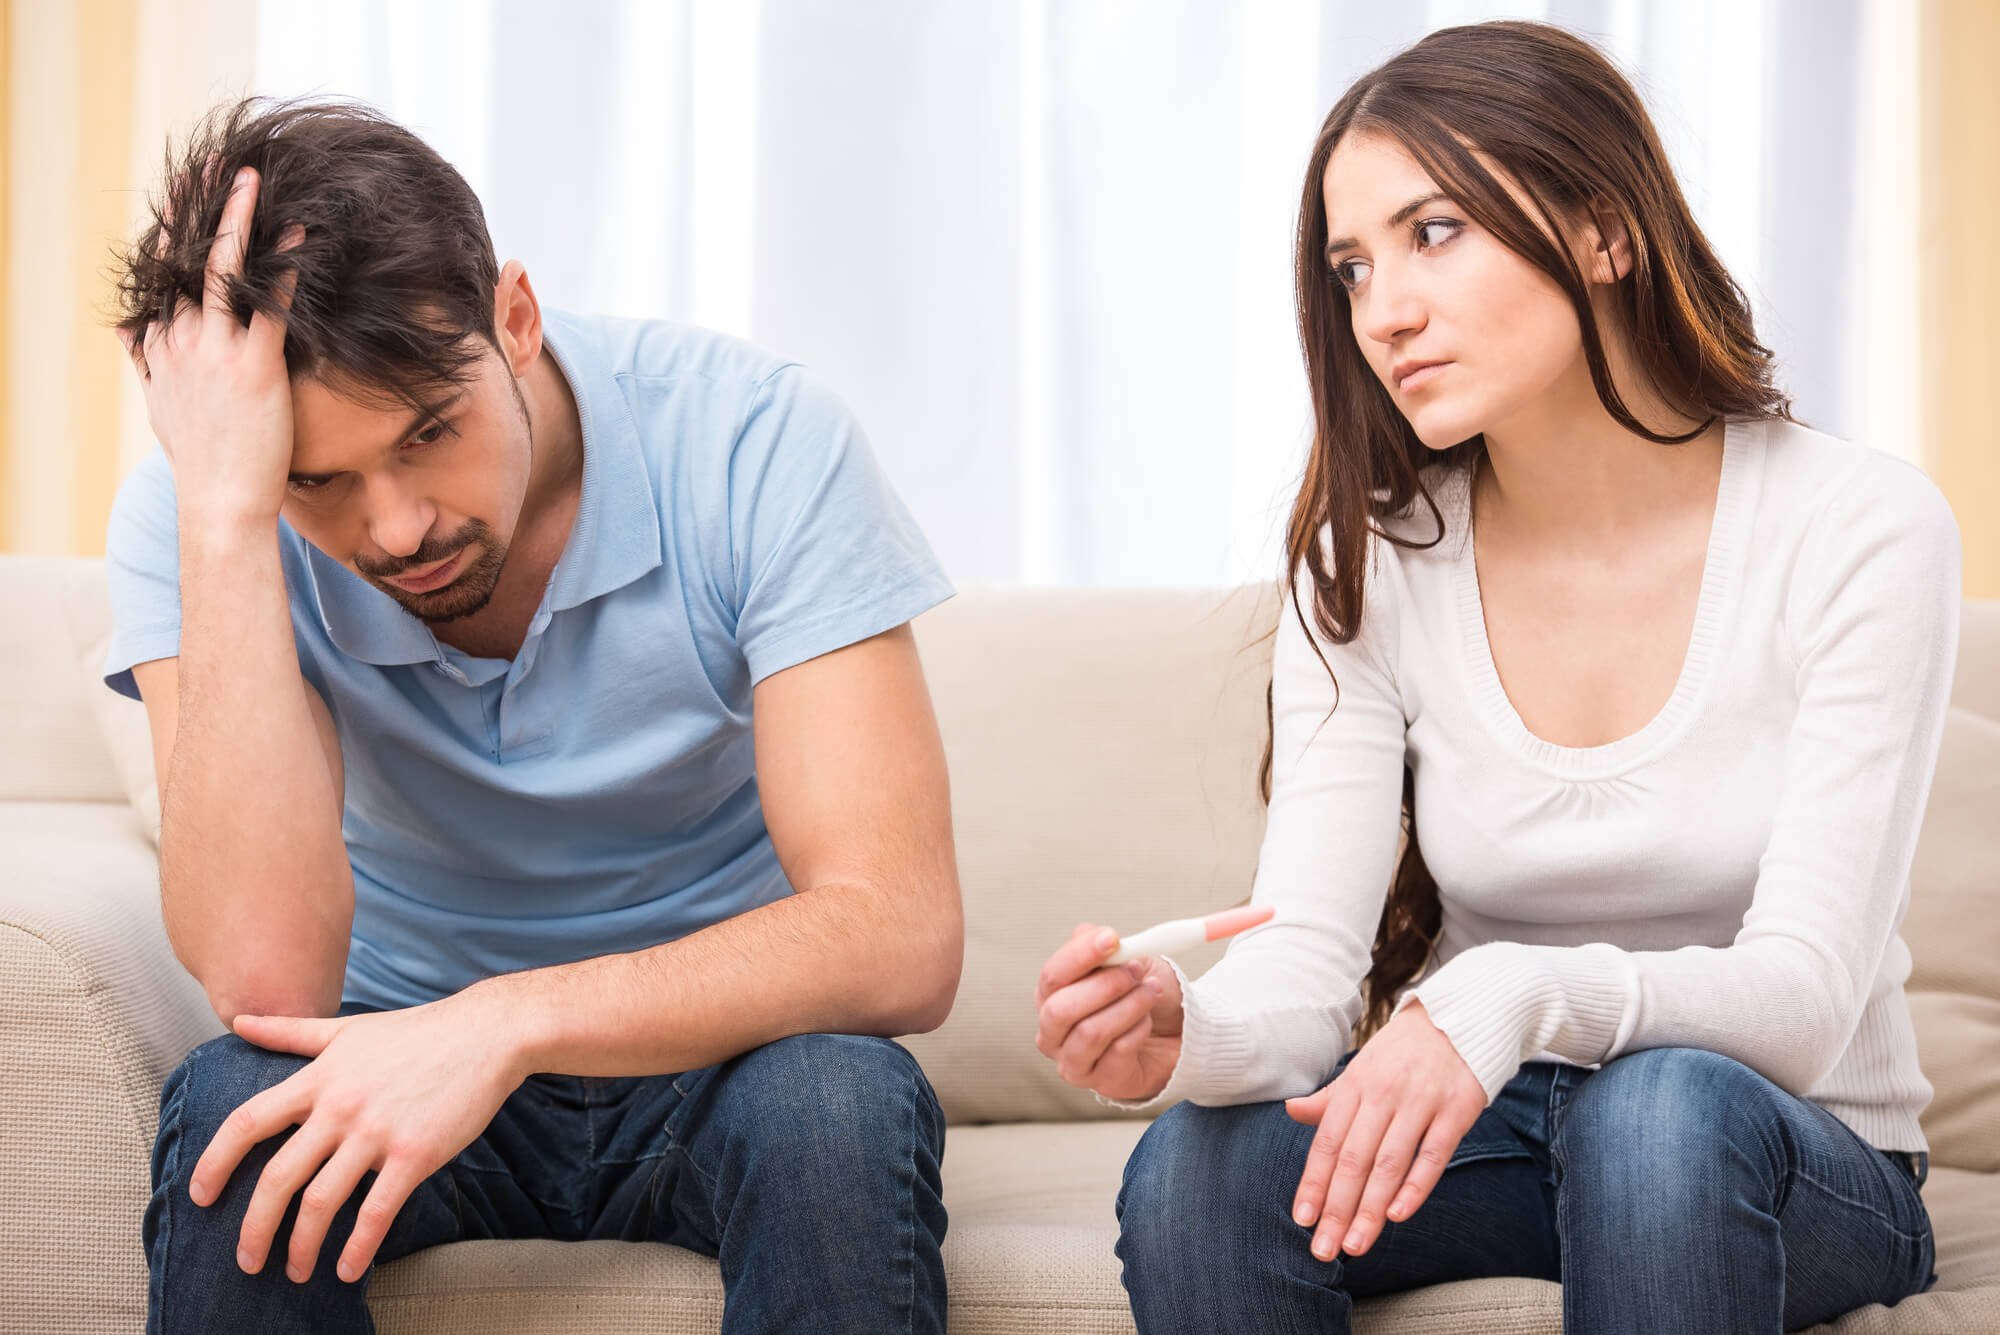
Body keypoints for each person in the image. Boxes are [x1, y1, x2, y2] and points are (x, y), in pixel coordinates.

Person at [1032, 20, 1956, 1334]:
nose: (1383, 312)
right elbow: (1306, 967)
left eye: (1434, 232)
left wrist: (1508, 992)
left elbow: (1804, 1002)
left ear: (1605, 232)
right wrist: (1188, 1029)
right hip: (1502, 1122)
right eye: (1351, 268)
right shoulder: (1370, 564)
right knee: (1201, 1169)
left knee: (1658, 1112)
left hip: (1791, 1141)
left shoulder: (1858, 527)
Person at [107, 97, 959, 1335]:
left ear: (514, 317)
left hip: (723, 1055)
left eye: (428, 432)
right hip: (394, 1054)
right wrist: (231, 519)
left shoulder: (754, 437)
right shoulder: (203, 514)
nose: (396, 527)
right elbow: (265, 977)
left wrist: (505, 1021)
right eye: (319, 480)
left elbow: (898, 935)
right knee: (237, 1112)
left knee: (836, 1102)